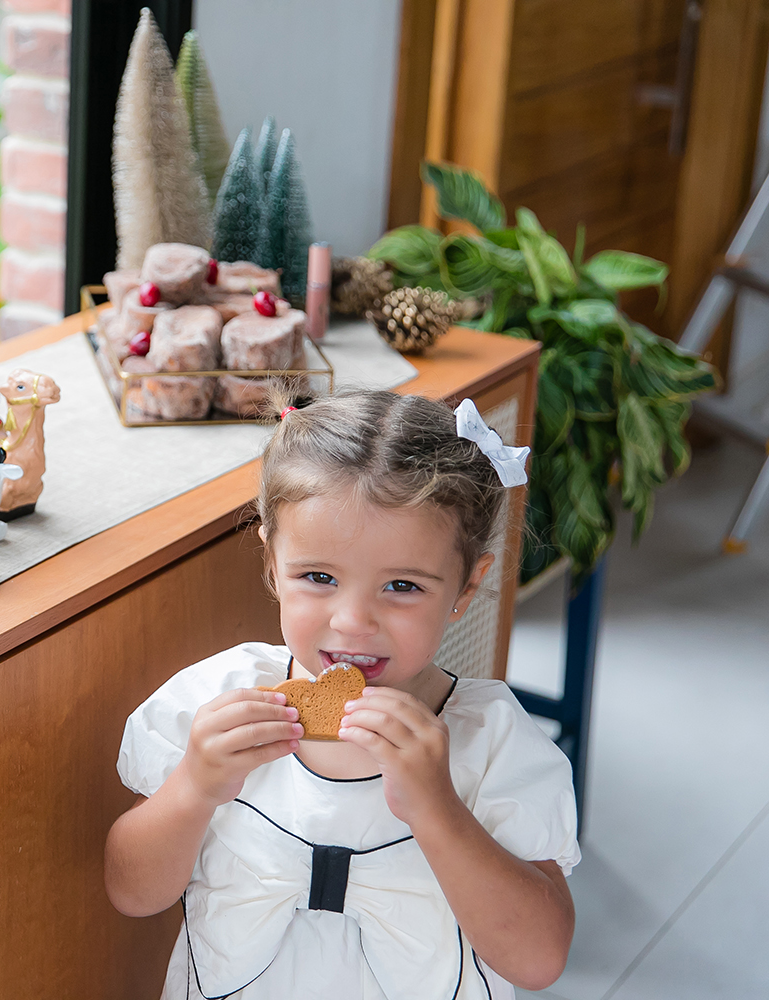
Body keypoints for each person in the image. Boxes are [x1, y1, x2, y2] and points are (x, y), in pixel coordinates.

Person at [105, 391, 575, 1000]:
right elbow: (131, 893)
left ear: (465, 586)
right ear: (273, 563)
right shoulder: (217, 702)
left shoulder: (491, 741)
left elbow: (539, 961)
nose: (354, 621)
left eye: (402, 586)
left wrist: (439, 809)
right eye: (319, 577)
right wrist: (194, 785)